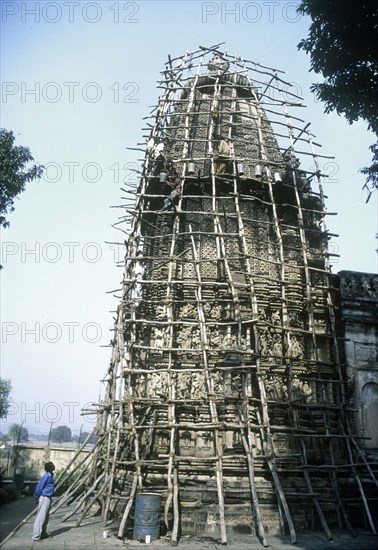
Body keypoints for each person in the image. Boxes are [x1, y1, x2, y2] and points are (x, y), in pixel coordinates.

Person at [32, 461, 56, 541]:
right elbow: (39, 486)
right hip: (44, 498)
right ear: (49, 468)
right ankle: (36, 536)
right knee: (40, 517)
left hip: (48, 498)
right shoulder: (46, 476)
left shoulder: (51, 475)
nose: (54, 466)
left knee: (45, 518)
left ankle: (43, 534)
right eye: (52, 466)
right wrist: (36, 496)